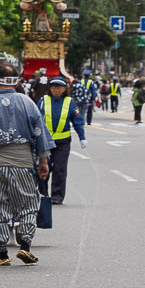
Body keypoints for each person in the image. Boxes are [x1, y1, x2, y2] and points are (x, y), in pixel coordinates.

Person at [0, 67, 53, 266]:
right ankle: (25, 246)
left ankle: (3, 253)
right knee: (28, 205)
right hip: (23, 163)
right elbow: (40, 132)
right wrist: (43, 161)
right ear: (16, 82)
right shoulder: (28, 103)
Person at [38, 77, 85, 205]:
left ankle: (57, 196)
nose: (56, 89)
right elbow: (36, 119)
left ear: (64, 89)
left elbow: (77, 121)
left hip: (62, 143)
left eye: (59, 87)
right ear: (50, 88)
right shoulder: (43, 101)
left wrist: (82, 137)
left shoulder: (71, 103)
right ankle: (42, 194)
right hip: (45, 142)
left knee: (60, 169)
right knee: (42, 168)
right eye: (53, 87)